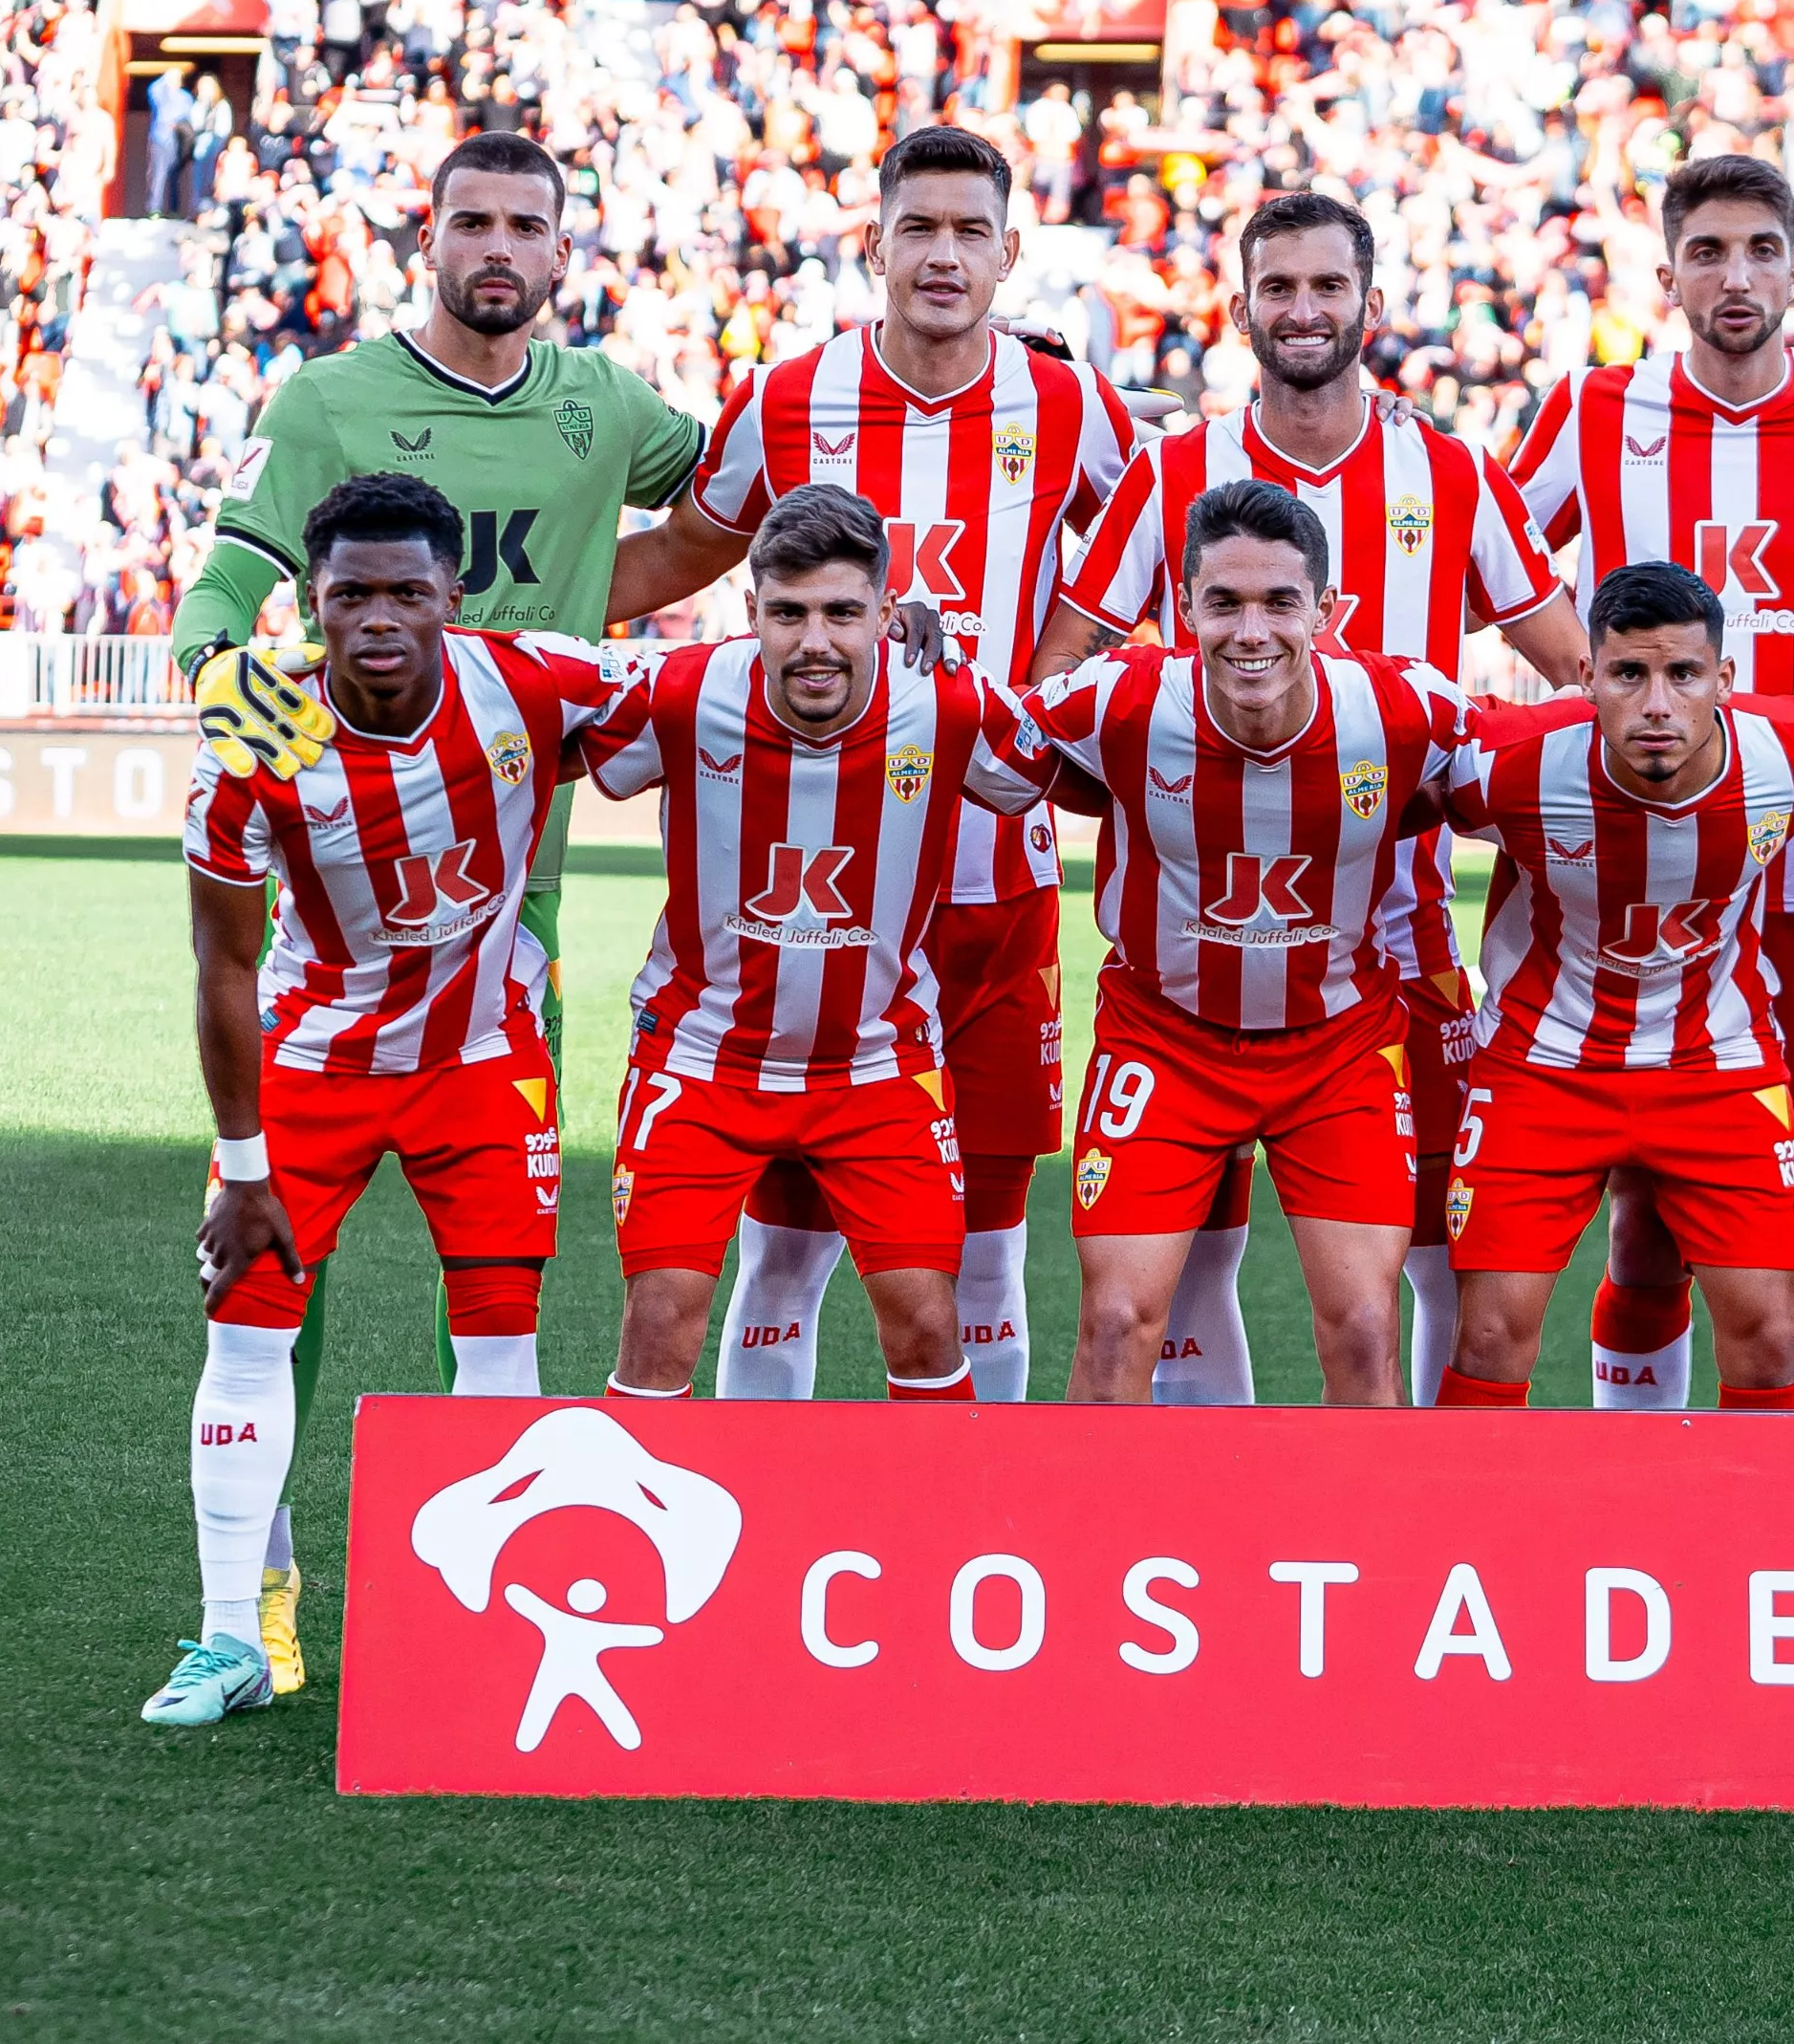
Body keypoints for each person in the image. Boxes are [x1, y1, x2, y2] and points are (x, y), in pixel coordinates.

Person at [171, 129, 703, 1692]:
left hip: (505, 909)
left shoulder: (607, 405)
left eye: (524, 224)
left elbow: (729, 508)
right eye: (471, 218)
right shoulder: (329, 402)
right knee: (276, 1290)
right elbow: (230, 582)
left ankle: (461, 1650)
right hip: (333, 929)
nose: (497, 244)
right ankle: (253, 1615)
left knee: (498, 1298)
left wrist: (631, 588)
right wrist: (237, 695)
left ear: (558, 249)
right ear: (434, 235)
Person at [609, 124, 1138, 1406]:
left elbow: (1140, 559)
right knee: (783, 1255)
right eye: (921, 228)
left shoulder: (1069, 403)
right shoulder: (790, 398)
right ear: (877, 244)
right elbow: (687, 549)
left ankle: (978, 1525)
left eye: (971, 231)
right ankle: (754, 1526)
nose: (944, 255)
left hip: (991, 892)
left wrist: (1032, 684)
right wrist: (507, 625)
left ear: (1010, 253)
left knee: (993, 1251)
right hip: (815, 895)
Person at [1030, 187, 1588, 1404]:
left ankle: (1418, 1511)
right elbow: (1057, 679)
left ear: (1369, 306)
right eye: (1277, 287)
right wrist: (1169, 763)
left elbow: (1575, 676)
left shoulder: (1447, 471)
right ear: (1240, 311)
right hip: (1194, 938)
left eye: (1326, 286)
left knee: (1419, 1267)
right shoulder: (1177, 469)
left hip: (1400, 944)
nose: (1302, 309)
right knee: (1187, 1263)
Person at [146, 471, 637, 1729]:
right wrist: (241, 1157)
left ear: (450, 596)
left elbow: (701, 696)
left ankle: (477, 1646)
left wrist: (877, 626)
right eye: (348, 592)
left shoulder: (529, 681)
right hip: (315, 1068)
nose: (377, 616)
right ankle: (226, 1637)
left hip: (482, 1055)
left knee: (498, 1334)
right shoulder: (253, 752)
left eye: (405, 591)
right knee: (247, 1331)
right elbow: (225, 965)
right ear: (312, 601)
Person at [1508, 151, 1794, 1408]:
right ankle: (1636, 1474)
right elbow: (1499, 563)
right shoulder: (1594, 411)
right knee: (1648, 1214)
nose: (1737, 274)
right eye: (1708, 251)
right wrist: (1578, 691)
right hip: (1642, 877)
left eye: (1761, 248)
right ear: (1668, 275)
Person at [1004, 479, 1471, 1405]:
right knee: (1112, 1326)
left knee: (1367, 1327)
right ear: (1183, 609)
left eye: (1278, 603)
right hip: (1165, 1040)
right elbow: (971, 732)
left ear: (1326, 611)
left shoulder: (1408, 710)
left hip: (1337, 1049)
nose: (1250, 630)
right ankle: (1093, 1543)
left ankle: (1365, 1550)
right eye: (1223, 602)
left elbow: (1549, 769)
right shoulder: (1115, 701)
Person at [582, 485, 1048, 1404]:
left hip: (876, 1063)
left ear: (886, 609)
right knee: (661, 1319)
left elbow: (1070, 758)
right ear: (750, 609)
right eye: (788, 614)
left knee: (924, 1319)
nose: (815, 642)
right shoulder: (679, 690)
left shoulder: (947, 702)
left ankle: (936, 1540)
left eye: (843, 612)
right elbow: (538, 725)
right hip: (703, 1057)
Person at [1428, 560, 1794, 1409]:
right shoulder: (1509, 767)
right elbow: (1391, 801)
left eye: (1683, 673)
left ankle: (1747, 1535)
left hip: (1718, 1064)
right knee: (1490, 1333)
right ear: (1587, 676)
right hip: (1542, 1067)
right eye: (1629, 673)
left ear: (1724, 679)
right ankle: (1471, 1534)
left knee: (1769, 1337)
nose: (1658, 703)